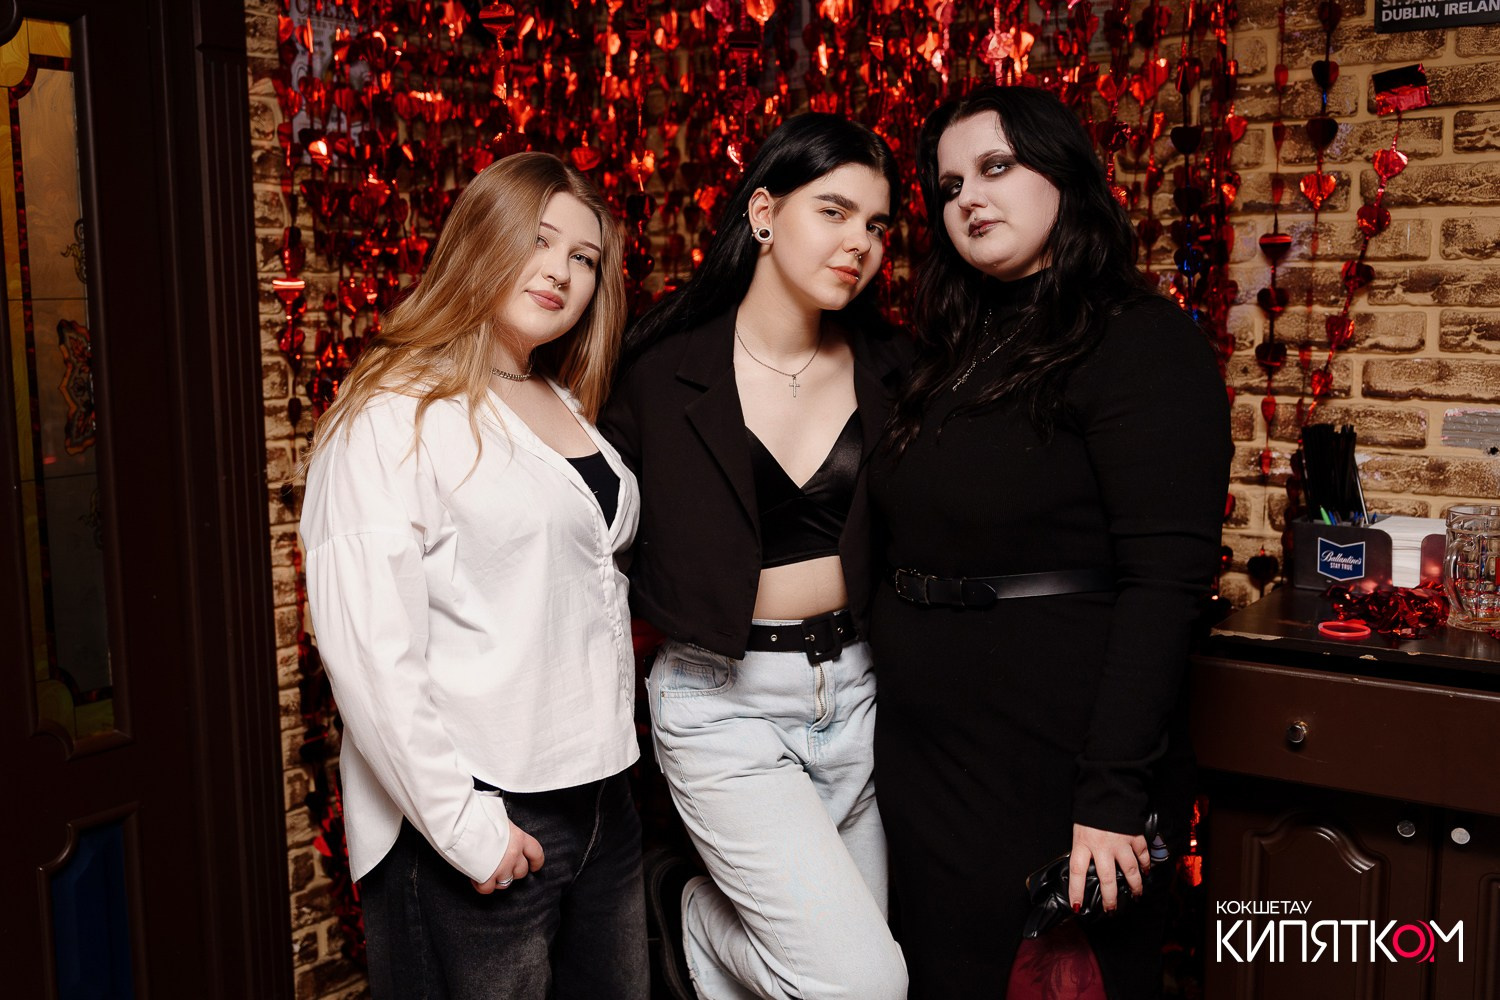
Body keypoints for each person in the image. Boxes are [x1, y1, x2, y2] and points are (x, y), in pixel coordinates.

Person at [868, 85, 1232, 998]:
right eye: (950, 186)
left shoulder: (1141, 342)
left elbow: (1165, 587)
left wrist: (1111, 795)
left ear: (1063, 173)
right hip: (925, 755)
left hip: (1054, 757)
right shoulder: (949, 350)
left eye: (995, 167)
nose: (969, 199)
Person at [300, 152, 647, 1000]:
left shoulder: (559, 399)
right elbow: (371, 653)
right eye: (539, 240)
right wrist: (465, 829)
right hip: (482, 810)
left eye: (584, 258)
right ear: (481, 240)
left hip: (602, 799)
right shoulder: (392, 412)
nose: (561, 272)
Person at [598, 113, 910, 1000]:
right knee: (865, 986)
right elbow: (591, 540)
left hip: (858, 697)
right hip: (724, 709)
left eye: (877, 225)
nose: (860, 243)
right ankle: (689, 913)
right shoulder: (661, 372)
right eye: (834, 211)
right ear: (765, 214)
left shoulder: (898, 367)